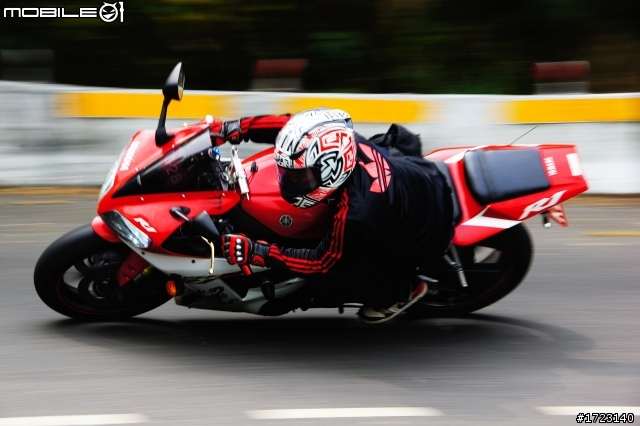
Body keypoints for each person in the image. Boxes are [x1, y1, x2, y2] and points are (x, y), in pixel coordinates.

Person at [210, 108, 454, 324]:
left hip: (426, 231)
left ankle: (403, 291)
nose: (289, 180)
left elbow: (321, 262)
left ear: (332, 170)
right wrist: (235, 127)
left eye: (300, 176)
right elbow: (289, 126)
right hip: (417, 177)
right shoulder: (340, 140)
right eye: (288, 173)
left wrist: (259, 253)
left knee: (321, 281)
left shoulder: (355, 215)